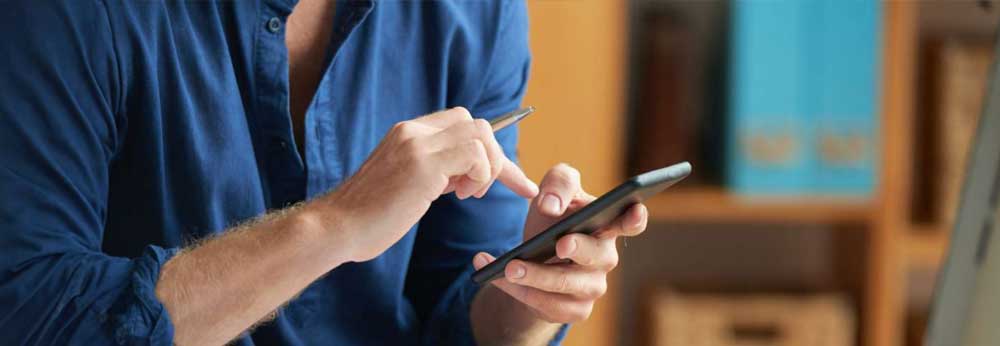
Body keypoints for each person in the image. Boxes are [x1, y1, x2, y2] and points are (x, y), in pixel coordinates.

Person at [0, 1, 648, 345]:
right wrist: (333, 226)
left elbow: (455, 310)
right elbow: (31, 318)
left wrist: (533, 292)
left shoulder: (477, 11)